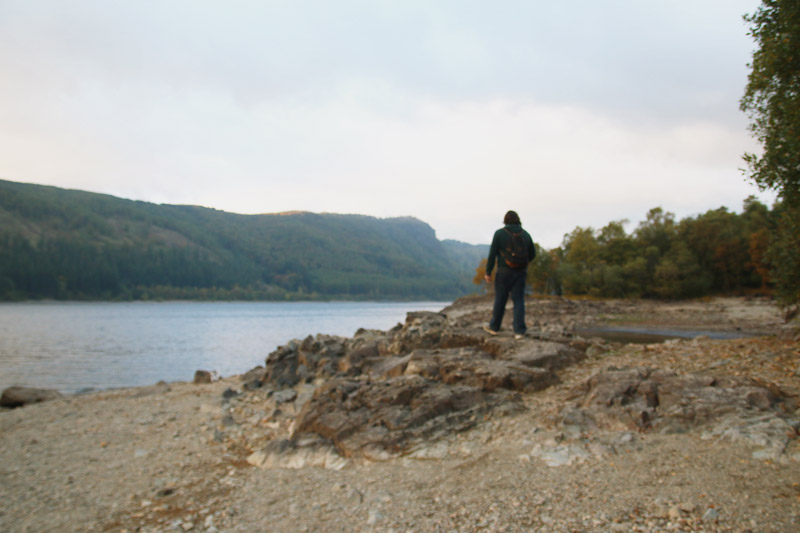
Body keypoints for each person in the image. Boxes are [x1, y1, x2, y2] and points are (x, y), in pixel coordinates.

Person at [483, 210, 535, 339]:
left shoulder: (500, 234)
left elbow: (492, 254)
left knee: (500, 299)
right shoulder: (526, 235)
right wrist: (522, 264)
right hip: (521, 272)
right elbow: (532, 254)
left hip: (504, 271)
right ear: (518, 220)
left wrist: (488, 272)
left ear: (505, 220)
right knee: (518, 301)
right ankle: (519, 331)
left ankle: (494, 327)